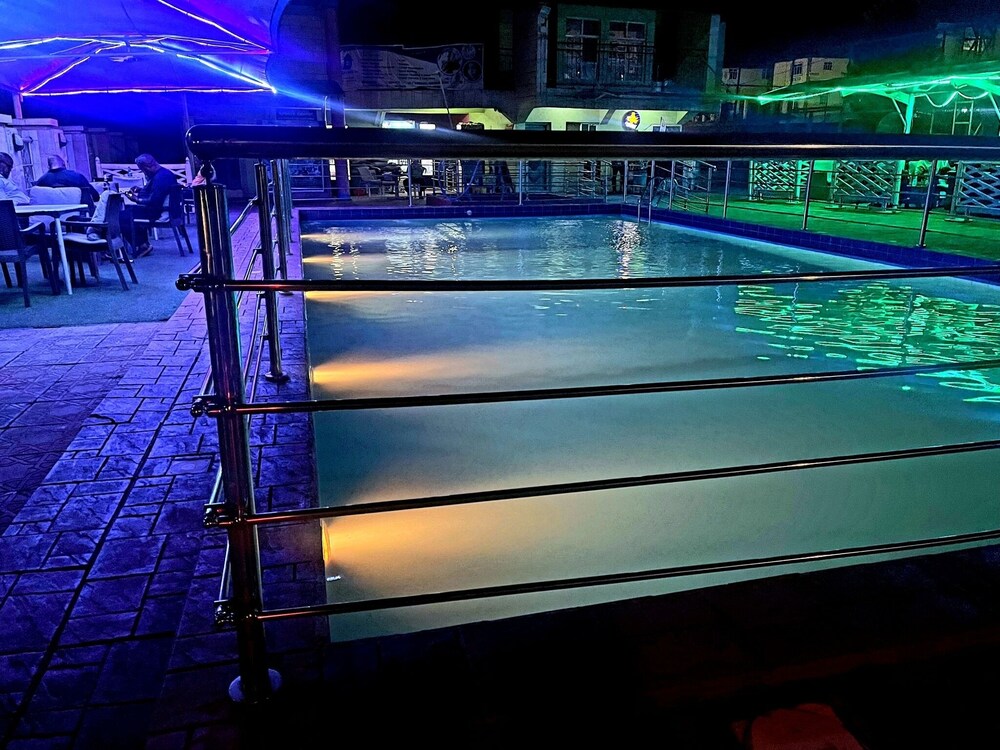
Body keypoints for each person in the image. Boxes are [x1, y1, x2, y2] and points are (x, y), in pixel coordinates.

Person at [120, 153, 180, 258]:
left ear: (146, 167)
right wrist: (141, 190)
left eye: (142, 169)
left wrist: (137, 199)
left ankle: (142, 245)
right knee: (130, 212)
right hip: (162, 209)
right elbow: (157, 192)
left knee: (122, 217)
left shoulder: (161, 178)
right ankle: (143, 243)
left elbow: (154, 201)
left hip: (158, 211)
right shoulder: (164, 173)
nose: (143, 172)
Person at [35, 154, 100, 213]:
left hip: (52, 216)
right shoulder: (77, 177)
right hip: (81, 215)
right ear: (64, 164)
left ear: (48, 166)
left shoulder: (41, 181)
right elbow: (95, 197)